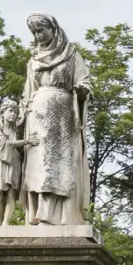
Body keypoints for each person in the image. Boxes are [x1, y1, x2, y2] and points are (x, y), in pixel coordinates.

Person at [19, 13, 90, 225]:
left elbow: (84, 81)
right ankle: (40, 212)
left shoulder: (72, 55)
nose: (39, 35)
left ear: (53, 29)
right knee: (39, 163)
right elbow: (28, 92)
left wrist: (83, 91)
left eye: (42, 30)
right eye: (35, 32)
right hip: (38, 117)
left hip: (63, 117)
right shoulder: (33, 60)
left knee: (60, 164)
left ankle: (62, 215)